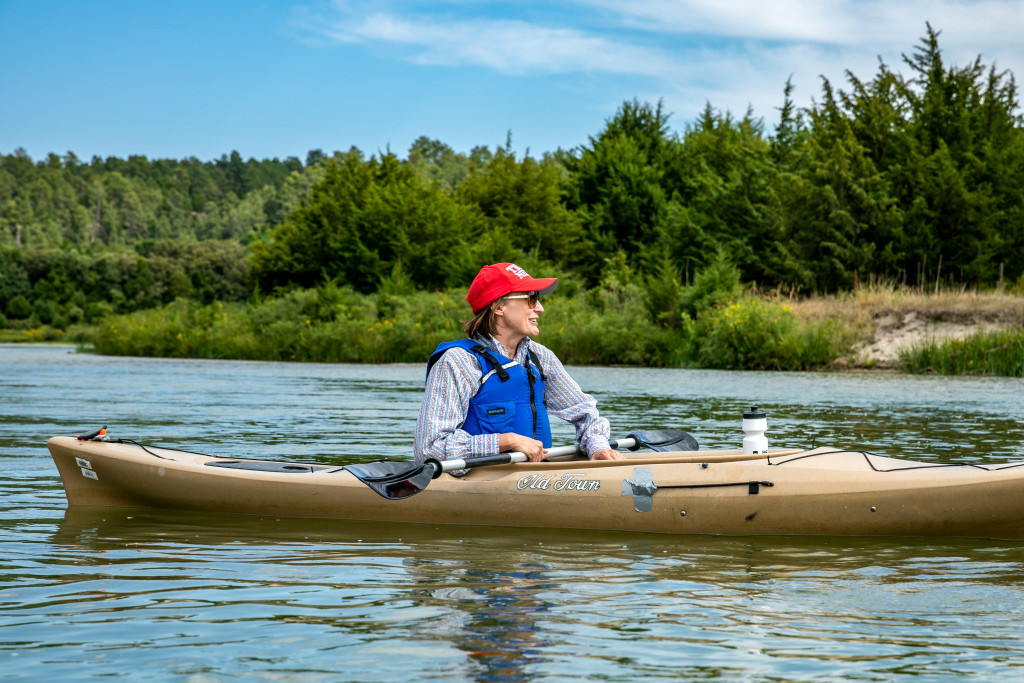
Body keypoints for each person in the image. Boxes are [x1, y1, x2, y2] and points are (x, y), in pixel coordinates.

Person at [414, 262, 623, 465]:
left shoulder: (540, 357)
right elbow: (430, 449)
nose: (539, 308)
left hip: (533, 478)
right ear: (498, 306)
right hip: (478, 482)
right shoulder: (458, 362)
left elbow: (585, 412)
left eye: (538, 298)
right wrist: (507, 441)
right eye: (531, 298)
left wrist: (597, 446)